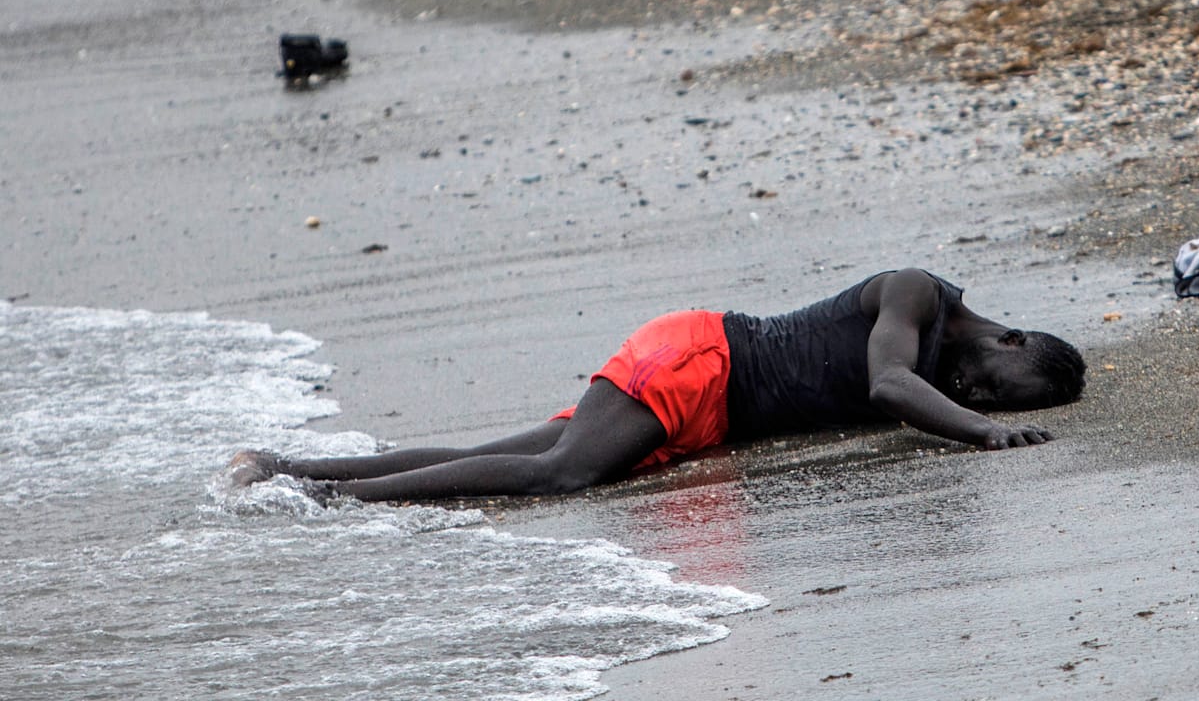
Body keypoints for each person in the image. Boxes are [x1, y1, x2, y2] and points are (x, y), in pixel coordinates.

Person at [229, 268, 1085, 501]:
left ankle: (286, 471)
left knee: (509, 453)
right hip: (701, 360)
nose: (980, 399)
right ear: (1011, 339)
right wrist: (982, 436)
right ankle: (325, 502)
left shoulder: (950, 365)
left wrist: (978, 421)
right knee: (561, 473)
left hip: (704, 404)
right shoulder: (916, 293)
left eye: (993, 408)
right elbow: (891, 386)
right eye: (1001, 390)